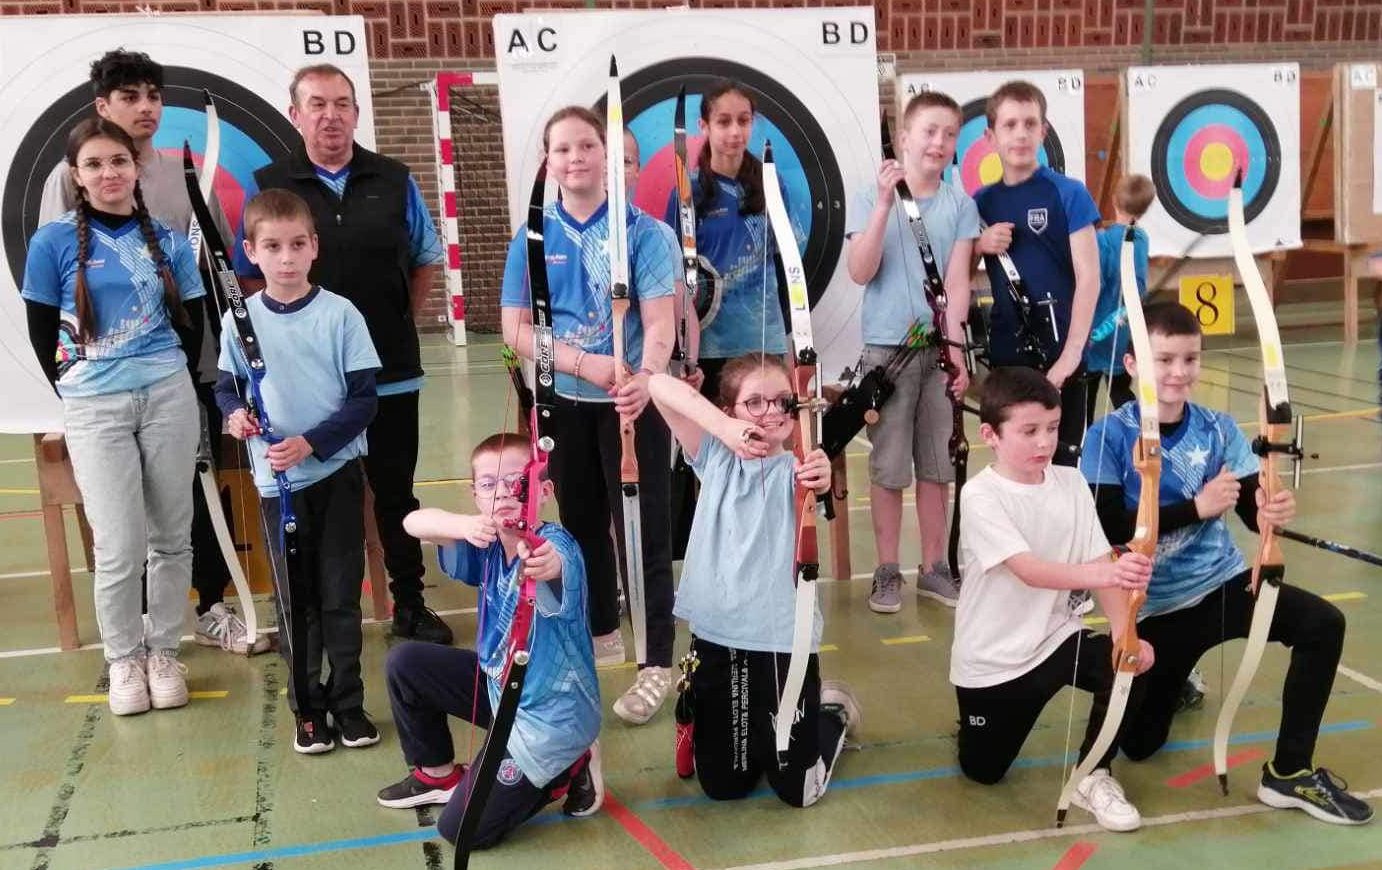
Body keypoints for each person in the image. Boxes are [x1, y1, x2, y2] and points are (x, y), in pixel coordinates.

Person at [1082, 301, 1374, 825]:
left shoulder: (1217, 428)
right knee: (1142, 745)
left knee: (1322, 624)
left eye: (1189, 358)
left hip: (1223, 586)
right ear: (1132, 365)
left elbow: (1246, 505)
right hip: (1153, 610)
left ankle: (1288, 773)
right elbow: (1108, 526)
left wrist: (1269, 509)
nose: (1178, 372)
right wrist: (1195, 508)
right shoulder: (1109, 435)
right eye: (1163, 359)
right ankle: (1176, 682)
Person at [37, 48, 263, 655]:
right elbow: (60, 279)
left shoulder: (183, 175)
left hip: (182, 372)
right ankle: (133, 631)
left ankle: (210, 605)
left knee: (192, 492)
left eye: (153, 96)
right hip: (104, 381)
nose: (145, 108)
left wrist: (212, 362)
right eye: (130, 96)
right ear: (102, 107)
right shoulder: (73, 177)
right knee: (122, 514)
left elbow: (212, 277)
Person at [234, 63, 451, 645]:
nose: (330, 115)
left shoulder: (395, 179)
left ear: (357, 112)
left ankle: (409, 602)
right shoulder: (269, 183)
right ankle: (313, 613)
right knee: (316, 499)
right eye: (317, 104)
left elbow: (427, 256)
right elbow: (247, 278)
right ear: (295, 113)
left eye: (342, 104)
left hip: (389, 374)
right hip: (304, 385)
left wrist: (396, 317)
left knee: (395, 490)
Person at [500, 106, 678, 725]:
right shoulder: (532, 237)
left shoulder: (645, 234)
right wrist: (586, 364)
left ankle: (657, 660)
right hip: (567, 401)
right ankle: (602, 629)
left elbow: (660, 322)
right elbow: (516, 331)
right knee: (580, 527)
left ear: (608, 157)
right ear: (549, 163)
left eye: (587, 146)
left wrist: (647, 378)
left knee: (645, 530)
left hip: (633, 405)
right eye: (563, 149)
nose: (576, 157)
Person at [22, 118, 204, 715]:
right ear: (76, 176)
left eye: (118, 162)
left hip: (168, 398)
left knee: (172, 538)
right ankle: (124, 659)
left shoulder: (170, 242)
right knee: (120, 545)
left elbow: (195, 323)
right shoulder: (51, 244)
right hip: (95, 408)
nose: (108, 174)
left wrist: (173, 379)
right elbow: (42, 330)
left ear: (135, 168)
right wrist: (81, 389)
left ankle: (163, 651)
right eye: (94, 164)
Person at [648, 355, 860, 806]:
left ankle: (832, 715)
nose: (771, 412)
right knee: (723, 787)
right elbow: (659, 388)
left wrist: (818, 478)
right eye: (754, 402)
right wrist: (724, 431)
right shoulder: (714, 457)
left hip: (784, 642)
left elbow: (817, 481)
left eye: (783, 402)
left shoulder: (802, 467)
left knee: (797, 792)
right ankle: (766, 738)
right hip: (717, 638)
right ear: (728, 411)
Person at [215, 189, 381, 753]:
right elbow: (227, 386)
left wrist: (311, 444)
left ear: (314, 247)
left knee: (339, 596)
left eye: (296, 244)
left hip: (334, 476)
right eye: (272, 246)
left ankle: (349, 705)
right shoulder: (241, 321)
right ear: (251, 253)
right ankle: (307, 711)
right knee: (296, 602)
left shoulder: (341, 315)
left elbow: (363, 401)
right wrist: (235, 415)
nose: (286, 258)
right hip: (274, 485)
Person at [952, 366, 1152, 832]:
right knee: (984, 772)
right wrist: (1108, 569)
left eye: (1053, 428)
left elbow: (1099, 558)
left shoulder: (1071, 483)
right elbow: (1029, 571)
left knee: (1129, 665)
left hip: (1056, 640)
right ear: (990, 435)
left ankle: (1094, 774)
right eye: (1029, 432)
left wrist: (1126, 635)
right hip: (992, 663)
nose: (1044, 443)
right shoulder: (980, 495)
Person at [378, 432, 602, 846]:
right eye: (488, 484)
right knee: (405, 663)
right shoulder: (483, 543)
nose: (502, 494)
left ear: (544, 490)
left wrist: (539, 557)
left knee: (461, 830)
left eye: (517, 483)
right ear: (475, 494)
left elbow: (555, 563)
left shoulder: (556, 545)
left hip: (549, 721)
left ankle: (570, 767)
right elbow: (413, 523)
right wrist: (464, 525)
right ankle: (437, 773)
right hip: (502, 689)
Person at [846, 90, 978, 614]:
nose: (939, 143)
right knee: (889, 465)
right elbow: (860, 270)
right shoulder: (869, 196)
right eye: (928, 131)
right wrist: (883, 205)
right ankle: (885, 569)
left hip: (938, 353)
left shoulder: (960, 205)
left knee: (936, 466)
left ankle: (933, 567)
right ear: (903, 139)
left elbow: (958, 283)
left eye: (949, 134)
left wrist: (958, 354)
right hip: (888, 352)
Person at [973, 81, 1100, 467]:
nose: (1021, 134)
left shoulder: (1069, 193)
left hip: (1064, 354)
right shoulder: (982, 203)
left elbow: (1089, 277)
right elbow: (955, 275)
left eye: (1030, 123)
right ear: (990, 137)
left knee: (1062, 465)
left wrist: (1071, 355)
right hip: (1009, 355)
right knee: (1014, 465)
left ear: (1044, 131)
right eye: (1010, 125)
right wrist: (979, 245)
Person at [664, 80, 787, 400]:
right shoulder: (686, 193)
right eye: (723, 121)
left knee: (763, 441)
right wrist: (681, 349)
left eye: (744, 121)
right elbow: (672, 277)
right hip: (707, 345)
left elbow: (784, 262)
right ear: (703, 126)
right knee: (712, 445)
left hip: (764, 342)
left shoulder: (772, 185)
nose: (735, 132)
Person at [1082, 174, 1154, 422]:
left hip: (1096, 329)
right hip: (1125, 326)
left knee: (1085, 395)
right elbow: (1139, 286)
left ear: (1113, 200)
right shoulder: (1142, 239)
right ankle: (1142, 429)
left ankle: (1084, 441)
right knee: (1120, 387)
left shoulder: (1102, 240)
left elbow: (1095, 284)